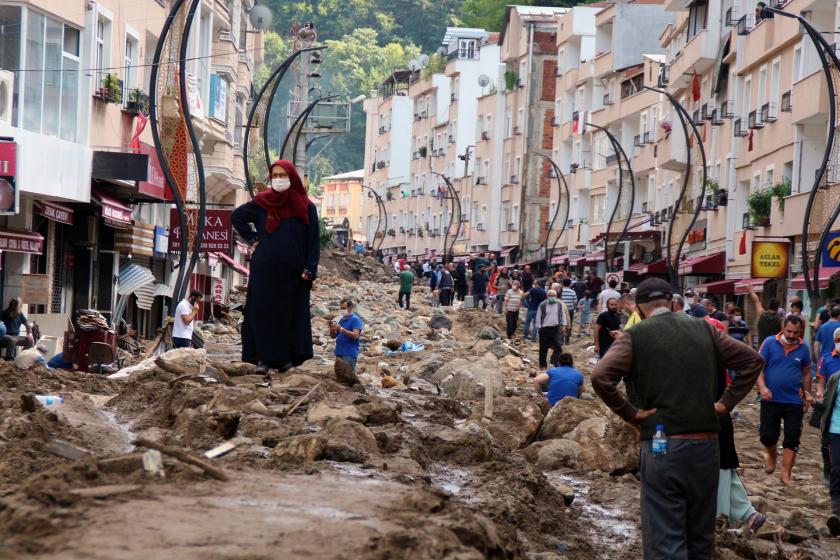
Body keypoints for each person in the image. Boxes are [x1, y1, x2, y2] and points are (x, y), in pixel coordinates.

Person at [591, 278, 764, 559]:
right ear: (672, 303)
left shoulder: (637, 335)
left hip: (662, 443)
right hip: (706, 446)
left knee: (664, 537)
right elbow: (752, 361)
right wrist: (724, 404)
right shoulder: (706, 330)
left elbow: (600, 376)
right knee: (700, 538)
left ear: (640, 307)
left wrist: (631, 414)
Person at [232, 159, 320, 374]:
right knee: (263, 313)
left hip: (294, 273)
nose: (279, 180)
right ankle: (261, 359)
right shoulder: (263, 202)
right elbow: (237, 217)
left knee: (288, 315)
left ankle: (285, 359)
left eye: (283, 175)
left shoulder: (306, 206)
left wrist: (310, 267)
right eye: (275, 176)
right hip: (265, 271)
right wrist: (253, 239)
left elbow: (313, 240)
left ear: (292, 177)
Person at [757, 315, 812, 485]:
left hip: (794, 400)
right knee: (767, 436)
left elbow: (806, 373)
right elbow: (758, 367)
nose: (791, 335)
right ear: (783, 327)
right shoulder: (769, 343)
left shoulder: (803, 348)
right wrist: (762, 388)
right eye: (789, 331)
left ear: (800, 331)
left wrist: (807, 395)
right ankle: (772, 456)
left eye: (796, 332)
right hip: (770, 398)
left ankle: (785, 473)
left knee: (793, 437)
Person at [815, 327, 840, 535]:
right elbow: (826, 403)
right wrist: (813, 402)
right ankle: (837, 511)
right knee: (836, 469)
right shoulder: (835, 378)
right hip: (835, 429)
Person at [536, 289, 568, 369]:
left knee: (558, 347)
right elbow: (538, 317)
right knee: (543, 348)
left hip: (555, 329)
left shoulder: (559, 304)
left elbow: (562, 315)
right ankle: (542, 364)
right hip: (544, 329)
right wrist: (539, 328)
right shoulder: (542, 305)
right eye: (551, 296)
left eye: (554, 296)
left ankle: (554, 361)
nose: (552, 297)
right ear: (547, 296)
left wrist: (564, 325)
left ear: (556, 296)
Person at [330, 299, 362, 372]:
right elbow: (333, 336)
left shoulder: (355, 319)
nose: (341, 310)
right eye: (341, 308)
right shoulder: (341, 320)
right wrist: (331, 328)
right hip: (339, 352)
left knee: (348, 375)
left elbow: (356, 335)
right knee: (340, 375)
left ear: (350, 308)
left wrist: (341, 329)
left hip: (349, 354)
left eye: (344, 308)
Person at [559, 278, 577, 344]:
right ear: (570, 284)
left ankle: (561, 340)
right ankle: (567, 340)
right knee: (569, 324)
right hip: (570, 310)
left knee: (561, 323)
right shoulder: (573, 292)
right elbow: (575, 302)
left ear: (563, 283)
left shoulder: (560, 291)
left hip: (561, 309)